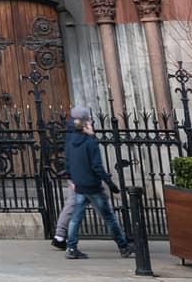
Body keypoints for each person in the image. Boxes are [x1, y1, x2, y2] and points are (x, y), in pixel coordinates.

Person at [64, 110, 132, 259]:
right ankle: (123, 246)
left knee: (75, 218)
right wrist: (110, 183)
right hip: (93, 186)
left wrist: (71, 179)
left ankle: (71, 248)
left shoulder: (72, 142)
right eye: (90, 122)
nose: (92, 124)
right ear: (85, 126)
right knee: (109, 217)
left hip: (80, 185)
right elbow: (97, 166)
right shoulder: (90, 142)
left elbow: (68, 162)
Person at [49, 106, 90, 250]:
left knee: (75, 204)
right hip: (82, 175)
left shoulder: (74, 131)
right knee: (101, 206)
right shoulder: (77, 133)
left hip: (80, 174)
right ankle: (122, 238)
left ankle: (60, 236)